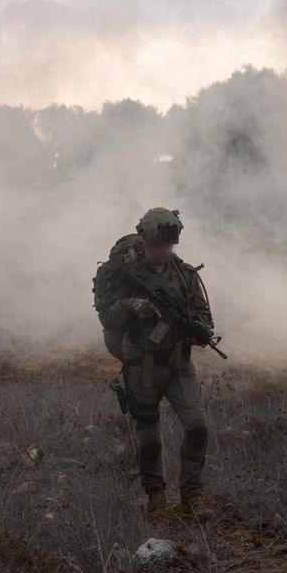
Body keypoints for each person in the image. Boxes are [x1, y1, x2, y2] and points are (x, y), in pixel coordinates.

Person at [93, 208, 215, 517]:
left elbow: (204, 318)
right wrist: (130, 305)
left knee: (198, 427)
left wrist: (196, 329)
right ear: (144, 239)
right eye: (158, 245)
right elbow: (107, 317)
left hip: (178, 365)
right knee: (148, 437)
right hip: (140, 365)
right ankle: (156, 496)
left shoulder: (184, 274)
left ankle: (192, 497)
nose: (163, 252)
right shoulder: (124, 276)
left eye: (168, 246)